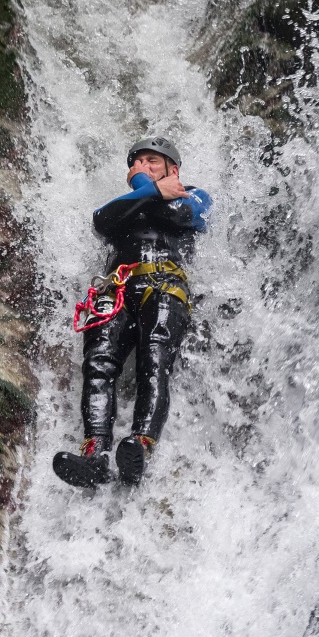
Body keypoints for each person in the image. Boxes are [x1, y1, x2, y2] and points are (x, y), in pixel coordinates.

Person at [53, 136, 212, 488]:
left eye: (151, 162)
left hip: (164, 282)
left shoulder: (196, 194)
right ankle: (95, 451)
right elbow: (101, 221)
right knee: (98, 363)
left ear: (175, 169)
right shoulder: (124, 203)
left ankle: (141, 444)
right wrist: (152, 188)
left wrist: (143, 187)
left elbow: (181, 214)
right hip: (116, 288)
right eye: (136, 164)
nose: (141, 168)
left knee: (154, 359)